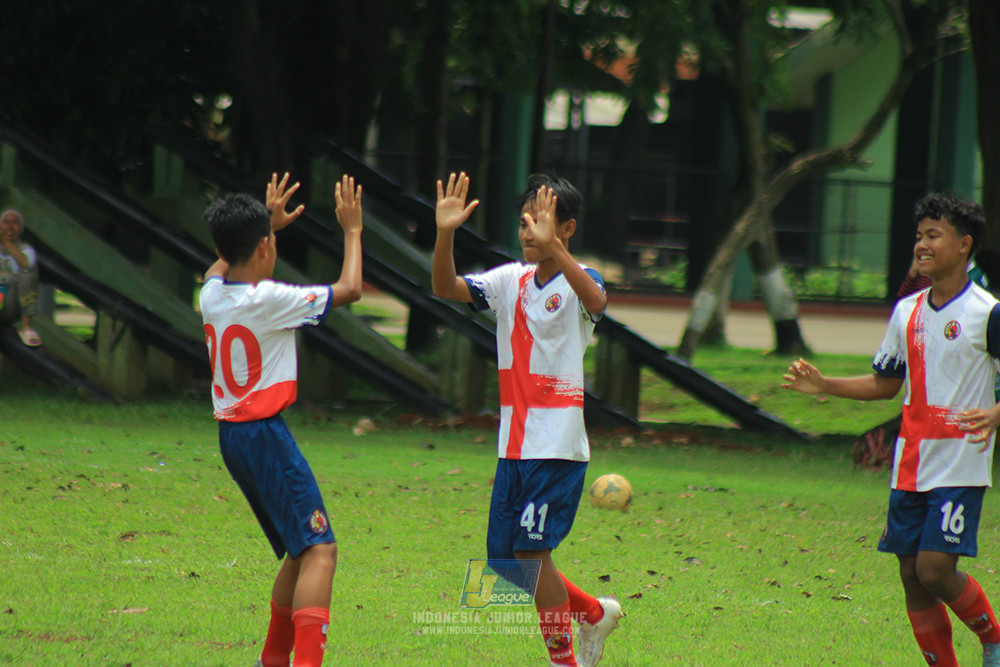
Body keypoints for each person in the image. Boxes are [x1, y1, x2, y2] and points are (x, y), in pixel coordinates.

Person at [782, 192, 1000, 667]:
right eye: (919, 236)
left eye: (933, 235)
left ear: (964, 245)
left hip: (961, 462)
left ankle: (993, 640)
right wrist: (824, 384)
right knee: (910, 574)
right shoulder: (908, 312)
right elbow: (885, 384)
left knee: (935, 569)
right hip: (911, 462)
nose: (921, 245)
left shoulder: (988, 312)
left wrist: (997, 413)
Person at [431, 172, 622, 667]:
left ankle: (563, 660)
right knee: (507, 564)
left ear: (567, 229)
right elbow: (443, 285)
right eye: (524, 222)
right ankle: (594, 612)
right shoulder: (507, 280)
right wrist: (446, 231)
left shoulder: (581, 279)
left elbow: (598, 303)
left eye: (540, 223)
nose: (528, 232)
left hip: (556, 446)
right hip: (513, 447)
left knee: (532, 555)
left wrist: (555, 249)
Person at [199, 172, 363, 667]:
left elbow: (218, 266)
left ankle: (272, 660)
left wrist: (264, 227)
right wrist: (352, 230)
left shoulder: (212, 295)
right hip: (264, 434)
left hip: (233, 437)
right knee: (320, 549)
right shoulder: (268, 300)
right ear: (266, 248)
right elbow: (350, 288)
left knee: (299, 550)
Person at [0, 209, 42, 346]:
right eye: (6, 223)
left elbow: (25, 264)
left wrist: (6, 242)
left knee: (27, 274)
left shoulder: (26, 250)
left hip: (9, 303)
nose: (10, 227)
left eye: (15, 223)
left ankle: (27, 328)